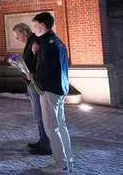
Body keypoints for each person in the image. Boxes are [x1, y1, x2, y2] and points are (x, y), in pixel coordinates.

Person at [27, 12, 74, 174]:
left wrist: (33, 76)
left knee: (51, 128)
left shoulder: (47, 43)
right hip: (60, 88)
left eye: (35, 25)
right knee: (60, 126)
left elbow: (47, 67)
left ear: (41, 25)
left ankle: (61, 165)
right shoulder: (56, 41)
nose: (34, 29)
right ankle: (68, 161)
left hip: (49, 89)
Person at [12, 23, 51, 156]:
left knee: (41, 114)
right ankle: (42, 141)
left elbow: (40, 62)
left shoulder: (35, 42)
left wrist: (31, 73)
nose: (17, 38)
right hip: (31, 81)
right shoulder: (30, 42)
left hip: (36, 82)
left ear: (24, 31)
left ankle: (46, 145)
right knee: (38, 114)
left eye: (18, 35)